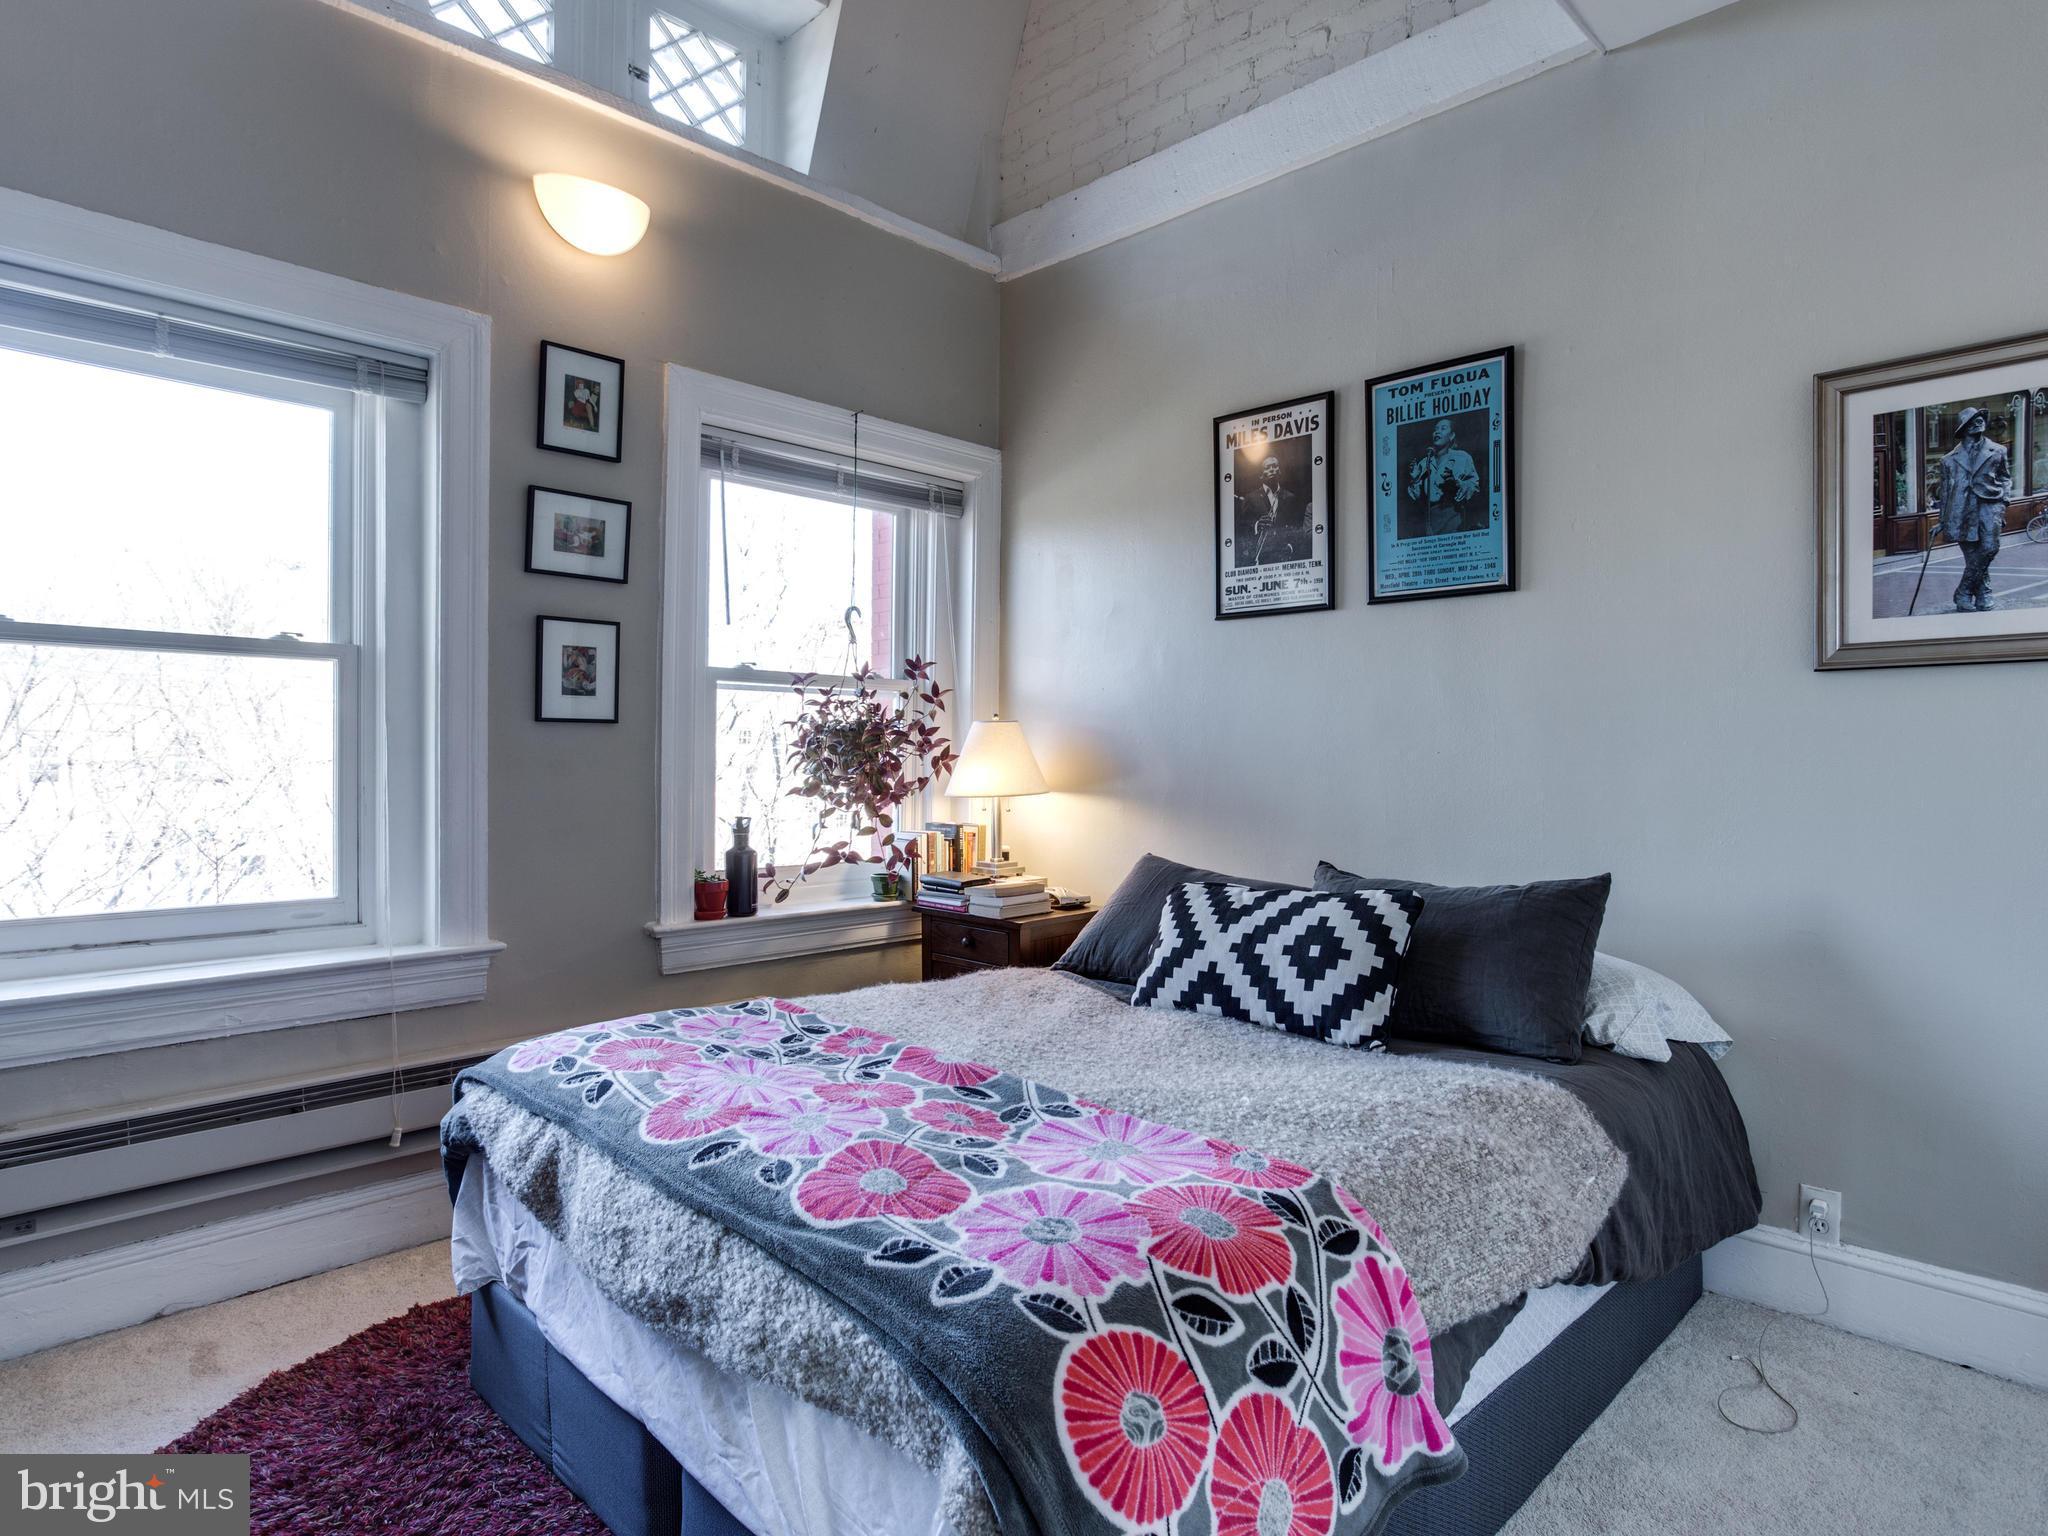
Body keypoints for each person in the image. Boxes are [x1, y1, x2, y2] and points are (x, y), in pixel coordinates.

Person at [1934, 406, 2012, 612]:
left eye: (1981, 418)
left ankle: (1963, 591)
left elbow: (2005, 478)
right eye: (1973, 419)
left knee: (1989, 548)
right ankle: (1984, 594)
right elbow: (1945, 492)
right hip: (1960, 511)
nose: (1980, 421)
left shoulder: (1998, 450)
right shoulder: (1948, 459)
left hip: (1990, 504)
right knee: (1972, 556)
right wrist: (1942, 521)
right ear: (1964, 427)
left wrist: (2003, 502)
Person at [1405, 417, 1482, 536]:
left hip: (1453, 517)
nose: (1437, 431)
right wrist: (1415, 479)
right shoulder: (1424, 462)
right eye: (1435, 429)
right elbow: (1416, 498)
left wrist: (1457, 484)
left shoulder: (1462, 457)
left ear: (1451, 436)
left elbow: (1474, 486)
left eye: (1443, 428)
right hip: (1429, 522)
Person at [1236, 453, 1309, 565]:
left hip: (1284, 555)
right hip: (1259, 557)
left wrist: (1291, 547)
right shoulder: (1250, 498)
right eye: (1267, 467)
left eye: (1274, 466)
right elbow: (1241, 526)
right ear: (1261, 475)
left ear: (1279, 471)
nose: (1272, 470)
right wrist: (1257, 525)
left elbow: (1297, 526)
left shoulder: (1290, 498)